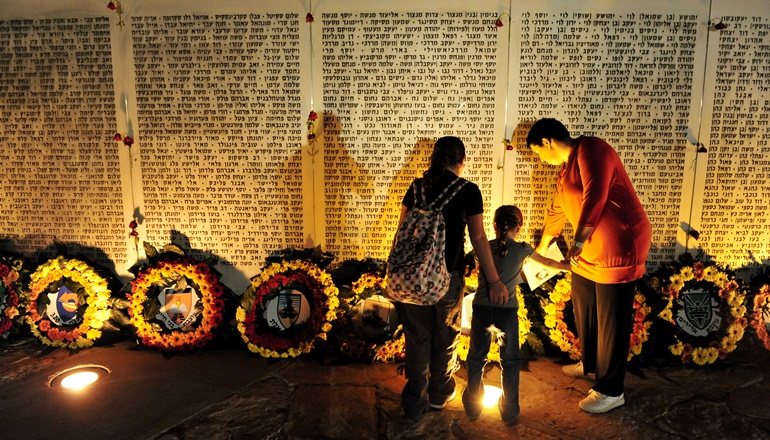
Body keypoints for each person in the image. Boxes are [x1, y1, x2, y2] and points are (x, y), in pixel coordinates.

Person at [526, 118, 652, 414]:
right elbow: (558, 207)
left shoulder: (592, 149)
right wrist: (543, 245)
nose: (541, 160)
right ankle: (591, 363)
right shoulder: (567, 166)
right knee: (584, 303)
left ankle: (611, 389)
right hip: (590, 247)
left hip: (619, 243)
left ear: (548, 142)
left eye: (538, 153)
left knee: (612, 318)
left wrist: (579, 240)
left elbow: (596, 196)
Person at [396, 136, 509, 422]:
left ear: (434, 158)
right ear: (461, 161)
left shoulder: (417, 187)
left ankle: (414, 401)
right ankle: (439, 393)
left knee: (417, 336)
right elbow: (479, 237)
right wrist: (495, 281)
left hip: (412, 277)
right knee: (445, 335)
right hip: (447, 275)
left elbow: (402, 232)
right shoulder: (467, 190)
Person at [462, 205, 569, 423]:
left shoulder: (484, 248)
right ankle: (510, 409)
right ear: (519, 227)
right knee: (510, 360)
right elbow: (548, 263)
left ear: (494, 225)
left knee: (476, 357)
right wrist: (566, 266)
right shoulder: (523, 249)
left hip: (482, 308)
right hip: (507, 311)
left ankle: (473, 404)